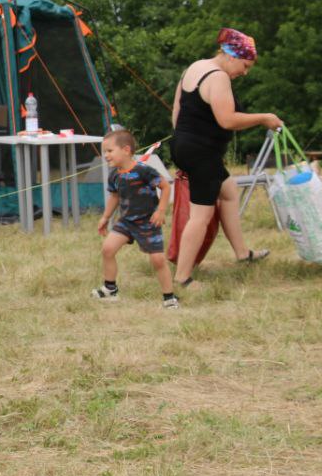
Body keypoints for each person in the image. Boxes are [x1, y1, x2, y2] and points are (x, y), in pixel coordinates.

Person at [170, 27, 284, 290]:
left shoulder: (195, 67)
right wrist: (264, 118)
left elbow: (177, 108)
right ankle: (182, 278)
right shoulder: (219, 77)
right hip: (201, 152)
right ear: (231, 55)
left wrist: (183, 144)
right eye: (245, 66)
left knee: (229, 191)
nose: (245, 73)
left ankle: (242, 253)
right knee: (201, 215)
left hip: (185, 146)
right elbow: (227, 120)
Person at [92, 129, 177, 309]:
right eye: (104, 151)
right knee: (107, 249)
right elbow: (114, 196)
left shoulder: (144, 171)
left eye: (109, 150)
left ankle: (169, 298)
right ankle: (110, 289)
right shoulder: (114, 175)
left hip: (148, 222)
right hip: (126, 222)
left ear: (126, 150)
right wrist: (105, 217)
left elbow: (165, 187)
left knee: (158, 260)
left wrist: (161, 211)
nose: (106, 155)